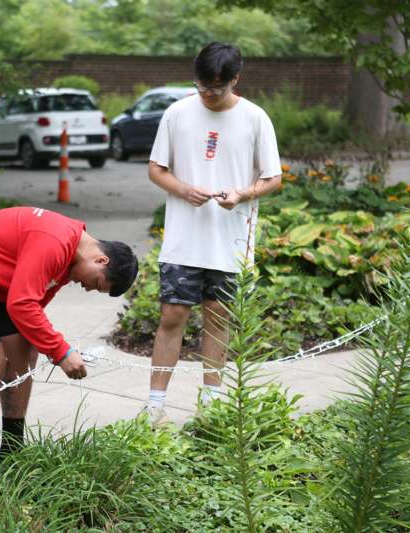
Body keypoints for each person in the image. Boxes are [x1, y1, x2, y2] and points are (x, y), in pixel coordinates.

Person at [0, 206, 138, 480]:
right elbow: (22, 304)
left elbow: (33, 306)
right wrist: (61, 351)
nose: (87, 288)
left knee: (24, 349)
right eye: (97, 284)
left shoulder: (70, 259)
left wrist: (47, 345)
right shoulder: (55, 241)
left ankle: (12, 450)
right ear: (101, 260)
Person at [144, 42, 282, 427]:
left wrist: (243, 194)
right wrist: (183, 189)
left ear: (235, 80)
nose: (207, 93)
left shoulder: (255, 118)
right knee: (172, 315)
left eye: (216, 88)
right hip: (183, 239)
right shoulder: (177, 112)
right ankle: (155, 405)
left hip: (231, 240)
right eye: (202, 85)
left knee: (219, 317)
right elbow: (156, 169)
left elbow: (273, 177)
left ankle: (212, 405)